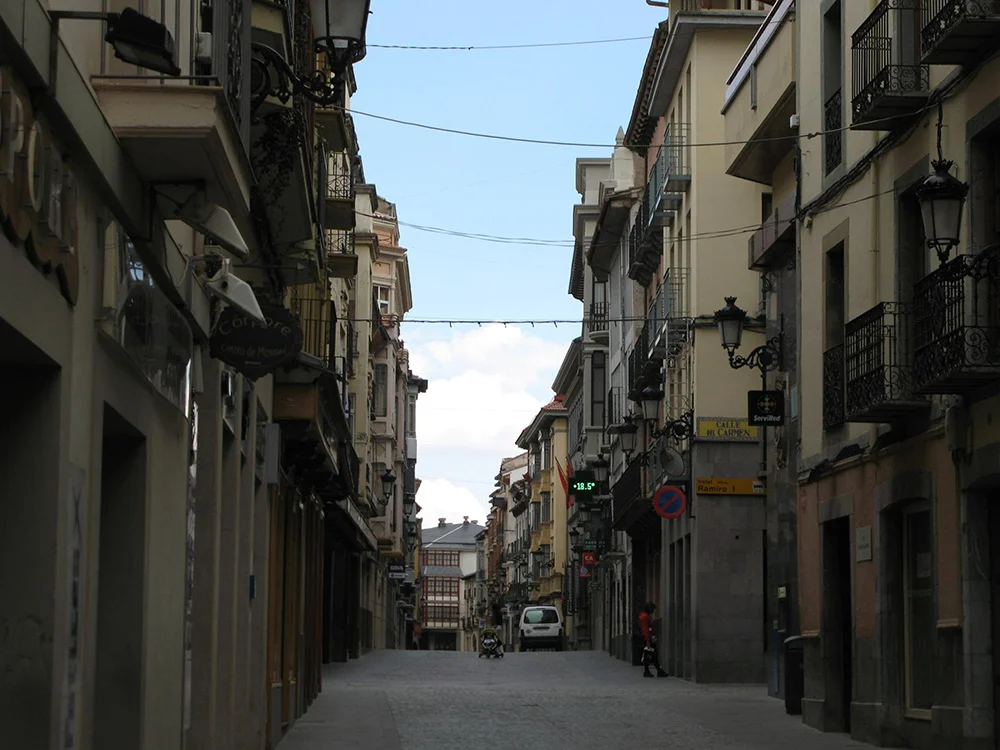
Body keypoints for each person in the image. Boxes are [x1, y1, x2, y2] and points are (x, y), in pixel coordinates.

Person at [639, 601, 668, 678]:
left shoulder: (647, 616)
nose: (653, 611)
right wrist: (648, 640)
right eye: (653, 609)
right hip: (649, 638)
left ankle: (654, 670)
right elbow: (646, 629)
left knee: (651, 654)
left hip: (652, 637)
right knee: (651, 654)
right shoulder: (645, 617)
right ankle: (656, 671)